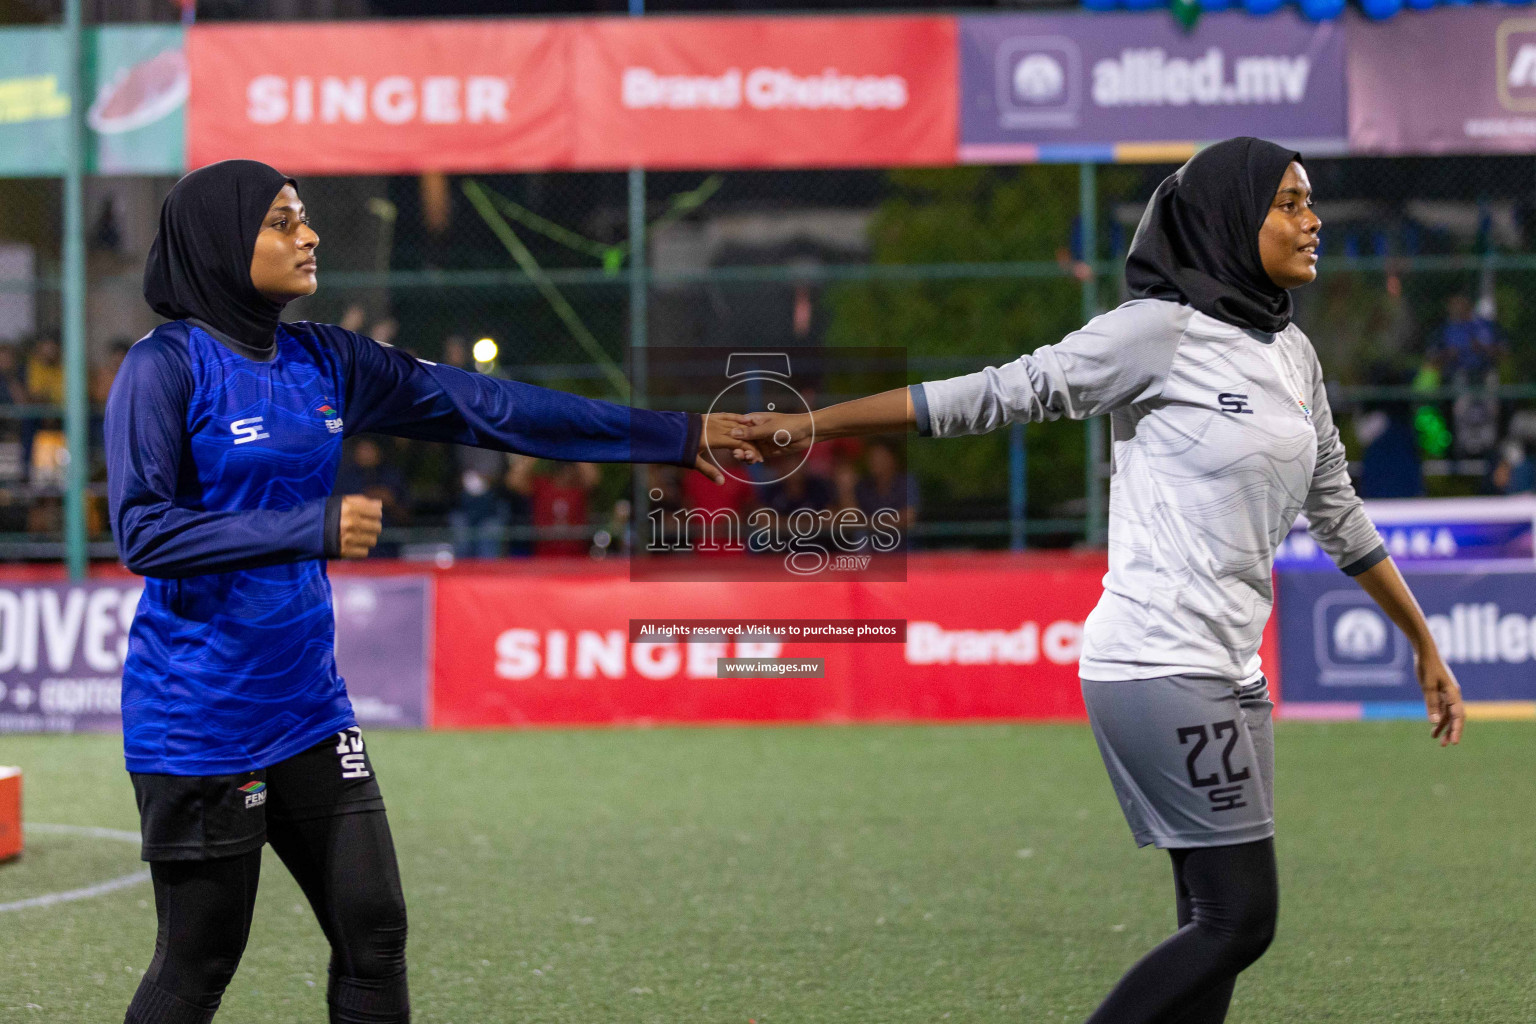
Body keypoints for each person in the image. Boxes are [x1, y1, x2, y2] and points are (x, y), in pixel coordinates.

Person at [729, 138, 1465, 1024]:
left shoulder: (1290, 354)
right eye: (1290, 203)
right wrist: (819, 424)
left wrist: (1422, 640)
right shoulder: (1157, 332)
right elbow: (999, 392)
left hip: (1234, 674)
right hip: (1157, 662)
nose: (1313, 223)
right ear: (1233, 219)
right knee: (1241, 920)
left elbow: (1337, 510)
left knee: (1207, 927)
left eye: (1312, 203)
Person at [104, 160, 757, 1024]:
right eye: (282, 221)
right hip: (199, 722)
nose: (310, 235)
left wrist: (674, 435)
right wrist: (309, 527)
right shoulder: (165, 367)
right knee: (198, 966)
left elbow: (490, 407)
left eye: (305, 217)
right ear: (222, 244)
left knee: (375, 935)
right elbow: (143, 531)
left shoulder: (325, 359)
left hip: (307, 710)